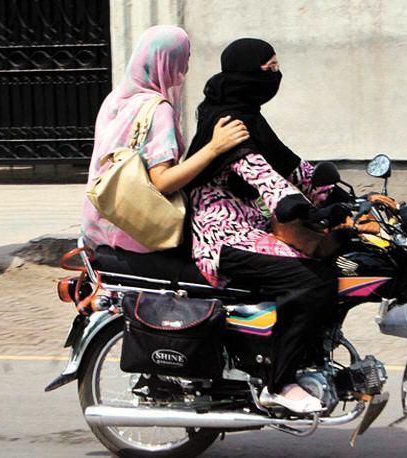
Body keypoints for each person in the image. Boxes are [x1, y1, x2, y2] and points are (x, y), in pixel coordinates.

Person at [184, 38, 349, 413]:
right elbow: (257, 170)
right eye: (268, 68)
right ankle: (280, 383)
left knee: (335, 265)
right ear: (245, 72)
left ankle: (308, 357)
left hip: (250, 223)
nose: (275, 75)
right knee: (312, 280)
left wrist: (333, 192)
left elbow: (289, 166)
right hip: (221, 235)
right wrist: (293, 205)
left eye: (277, 67)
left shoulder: (250, 115)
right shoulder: (226, 120)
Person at [82, 25, 249, 253]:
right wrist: (214, 148)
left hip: (100, 222)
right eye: (183, 59)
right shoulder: (158, 109)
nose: (186, 67)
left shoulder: (116, 99)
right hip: (136, 229)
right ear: (166, 61)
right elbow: (162, 182)